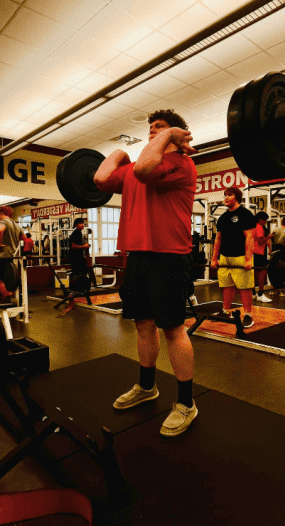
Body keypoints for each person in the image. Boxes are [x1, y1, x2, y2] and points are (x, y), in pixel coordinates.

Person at [94, 109, 199, 437]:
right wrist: (117, 152)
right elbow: (99, 179)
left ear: (176, 135)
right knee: (143, 325)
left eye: (161, 128)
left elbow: (144, 167)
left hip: (170, 256)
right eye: (150, 129)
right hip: (138, 256)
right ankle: (147, 387)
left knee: (172, 329)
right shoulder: (134, 168)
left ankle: (186, 403)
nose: (153, 132)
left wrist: (169, 138)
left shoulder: (182, 165)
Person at [210, 187, 256, 328]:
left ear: (237, 197)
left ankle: (248, 314)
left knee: (244, 287)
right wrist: (214, 258)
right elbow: (218, 240)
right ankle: (226, 311)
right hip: (225, 257)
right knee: (227, 285)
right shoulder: (223, 218)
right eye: (225, 195)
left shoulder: (245, 214)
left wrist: (248, 259)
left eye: (229, 195)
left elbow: (249, 237)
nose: (226, 197)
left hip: (240, 256)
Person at [0, 207, 22, 302]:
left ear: (1, 213)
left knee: (2, 279)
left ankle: (7, 297)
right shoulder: (15, 224)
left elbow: (0, 230)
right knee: (10, 279)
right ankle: (13, 299)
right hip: (13, 256)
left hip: (3, 256)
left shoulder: (3, 222)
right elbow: (25, 238)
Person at [252, 212, 272, 302]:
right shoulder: (259, 227)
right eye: (265, 220)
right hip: (259, 253)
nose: (265, 222)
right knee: (262, 272)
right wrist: (269, 237)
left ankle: (253, 293)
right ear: (260, 219)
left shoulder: (255, 226)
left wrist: (269, 247)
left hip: (255, 252)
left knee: (255, 273)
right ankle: (260, 294)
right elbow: (260, 241)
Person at [69, 218, 90, 284]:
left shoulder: (79, 232)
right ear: (76, 225)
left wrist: (85, 245)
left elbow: (77, 244)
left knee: (83, 270)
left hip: (79, 256)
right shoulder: (75, 233)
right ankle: (77, 286)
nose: (82, 225)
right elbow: (73, 246)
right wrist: (84, 246)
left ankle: (81, 285)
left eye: (83, 223)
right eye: (80, 224)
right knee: (78, 272)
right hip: (75, 257)